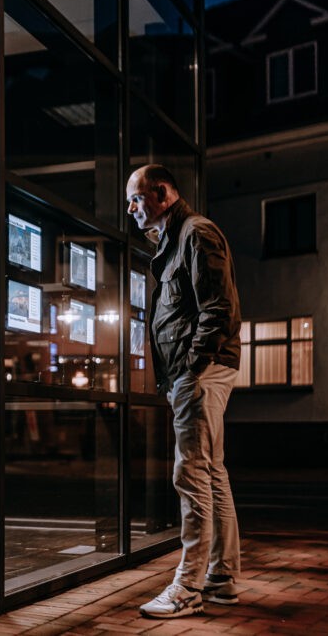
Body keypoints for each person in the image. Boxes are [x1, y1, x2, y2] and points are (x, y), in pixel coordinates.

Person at [126, 164, 242, 619]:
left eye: (136, 198)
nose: (132, 208)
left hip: (200, 373)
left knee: (190, 475)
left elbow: (218, 307)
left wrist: (191, 370)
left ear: (162, 193)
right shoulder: (176, 241)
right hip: (199, 371)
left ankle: (187, 588)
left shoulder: (196, 234)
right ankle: (222, 579)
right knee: (212, 474)